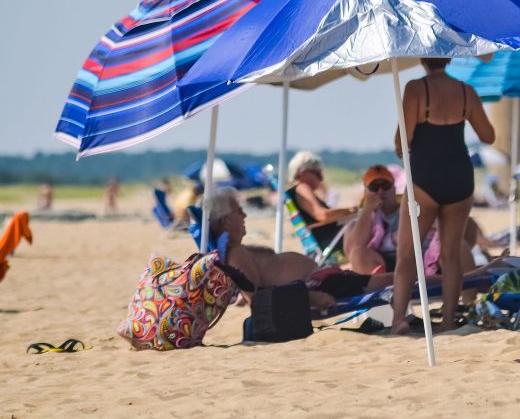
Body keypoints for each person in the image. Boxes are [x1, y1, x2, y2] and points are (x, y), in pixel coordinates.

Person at [210, 188, 501, 313]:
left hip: (322, 279)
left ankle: (471, 276)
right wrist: (312, 298)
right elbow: (259, 299)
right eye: (240, 212)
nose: (245, 216)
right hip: (320, 285)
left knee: (395, 278)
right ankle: (472, 277)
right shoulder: (236, 256)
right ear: (225, 220)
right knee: (396, 279)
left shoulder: (239, 251)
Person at [391, 57, 495, 334]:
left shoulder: (415, 88)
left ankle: (398, 319)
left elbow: (403, 141)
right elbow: (488, 136)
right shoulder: (466, 91)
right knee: (451, 255)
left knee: (407, 255)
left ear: (422, 59)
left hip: (425, 177)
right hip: (460, 177)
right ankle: (448, 320)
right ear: (448, 57)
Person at [287, 152, 358, 253]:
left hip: (327, 239)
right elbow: (322, 215)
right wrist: (351, 210)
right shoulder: (302, 187)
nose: (321, 179)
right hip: (330, 241)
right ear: (303, 173)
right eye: (318, 173)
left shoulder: (298, 190)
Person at [344, 165, 402, 273]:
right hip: (379, 262)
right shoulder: (365, 217)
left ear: (394, 189)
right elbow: (353, 249)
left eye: (385, 186)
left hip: (406, 259)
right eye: (374, 187)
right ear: (366, 192)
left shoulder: (406, 210)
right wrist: (367, 209)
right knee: (358, 253)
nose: (380, 191)